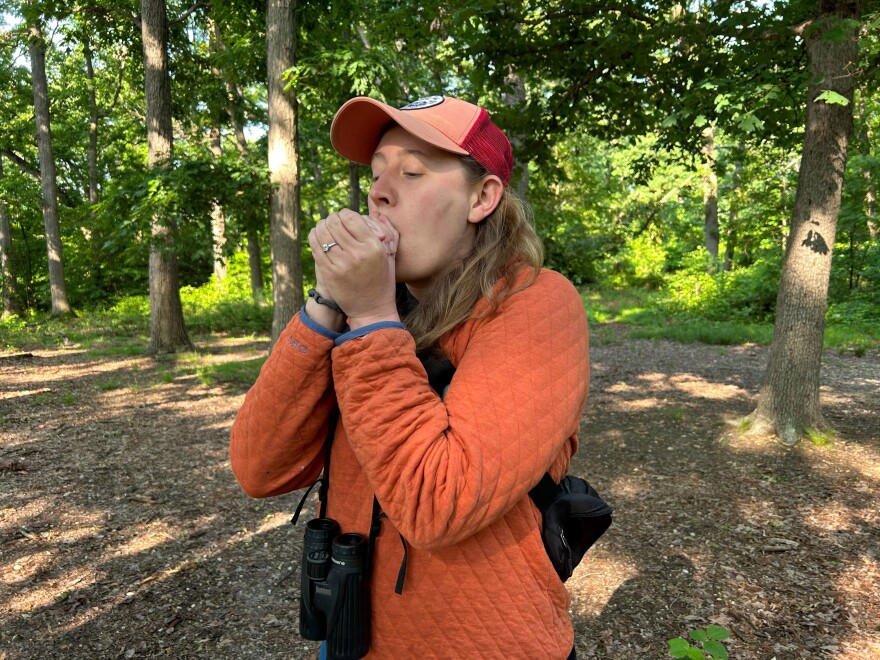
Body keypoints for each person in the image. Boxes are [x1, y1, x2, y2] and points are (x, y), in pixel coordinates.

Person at [230, 94, 590, 659]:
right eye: (375, 174)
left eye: (412, 171)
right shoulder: (357, 316)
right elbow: (259, 467)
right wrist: (329, 302)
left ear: (482, 197)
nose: (378, 190)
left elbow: (437, 502)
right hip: (352, 636)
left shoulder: (536, 304)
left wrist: (373, 318)